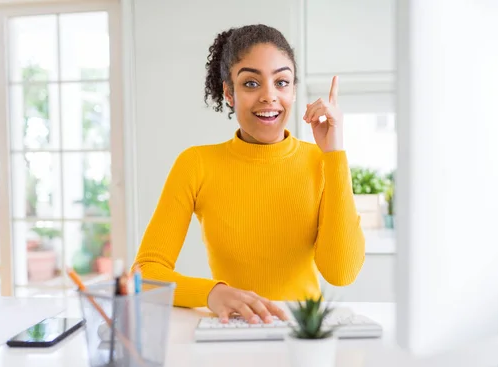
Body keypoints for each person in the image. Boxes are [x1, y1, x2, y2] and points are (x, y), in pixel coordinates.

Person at [134, 24, 365, 324]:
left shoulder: (320, 162)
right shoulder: (195, 164)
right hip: (233, 328)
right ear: (229, 93)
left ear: (294, 91)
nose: (269, 97)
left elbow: (341, 273)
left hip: (304, 332)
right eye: (251, 84)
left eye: (282, 82)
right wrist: (212, 293)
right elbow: (146, 273)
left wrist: (334, 154)